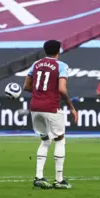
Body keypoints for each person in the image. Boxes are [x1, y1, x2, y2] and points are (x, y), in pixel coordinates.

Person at [24, 40, 78, 190]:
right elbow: (61, 88)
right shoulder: (61, 66)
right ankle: (59, 179)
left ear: (44, 50)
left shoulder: (36, 64)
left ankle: (39, 176)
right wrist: (71, 107)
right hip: (51, 107)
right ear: (58, 51)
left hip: (35, 106)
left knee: (45, 140)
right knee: (60, 139)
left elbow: (26, 86)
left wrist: (40, 94)